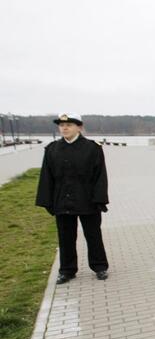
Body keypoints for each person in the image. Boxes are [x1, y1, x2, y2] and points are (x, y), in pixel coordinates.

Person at [36, 113, 109, 284]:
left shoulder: (92, 148)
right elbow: (46, 177)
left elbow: (100, 176)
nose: (65, 128)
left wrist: (99, 199)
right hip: (62, 200)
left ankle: (99, 266)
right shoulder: (52, 149)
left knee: (93, 235)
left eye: (69, 124)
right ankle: (67, 270)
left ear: (79, 127)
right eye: (61, 125)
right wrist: (47, 201)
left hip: (87, 200)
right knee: (65, 237)